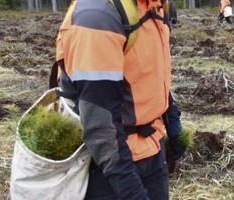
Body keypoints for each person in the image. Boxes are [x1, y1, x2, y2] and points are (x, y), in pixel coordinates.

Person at [53, 0, 184, 199]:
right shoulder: (96, 15)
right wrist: (130, 191)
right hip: (107, 167)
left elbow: (147, 72)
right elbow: (99, 123)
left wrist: (170, 114)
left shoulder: (155, 5)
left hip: (151, 148)